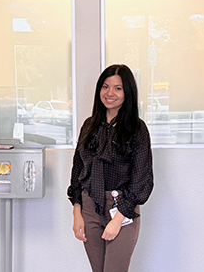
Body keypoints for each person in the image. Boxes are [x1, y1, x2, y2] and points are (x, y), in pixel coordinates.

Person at [67, 64, 154, 272]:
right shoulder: (89, 126)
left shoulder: (137, 129)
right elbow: (77, 170)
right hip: (90, 207)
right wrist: (77, 213)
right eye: (105, 87)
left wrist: (118, 219)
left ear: (128, 92)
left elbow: (142, 178)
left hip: (122, 208)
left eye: (118, 88)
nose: (110, 93)